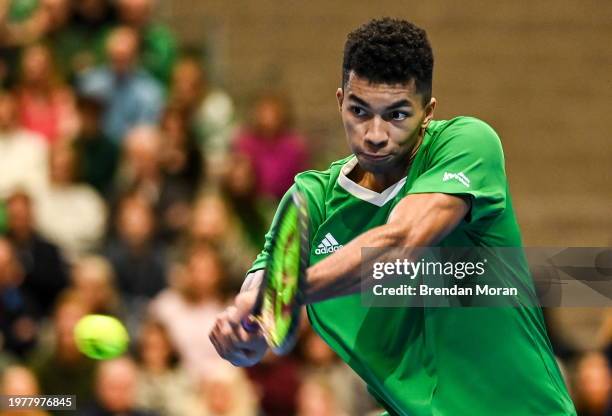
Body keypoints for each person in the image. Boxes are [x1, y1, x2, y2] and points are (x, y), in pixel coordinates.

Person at [210, 18, 577, 415]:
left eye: (397, 115)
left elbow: (400, 242)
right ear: (340, 102)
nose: (375, 133)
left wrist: (292, 292)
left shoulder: (468, 145)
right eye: (359, 111)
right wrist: (243, 332)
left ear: (427, 111)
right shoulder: (311, 199)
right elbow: (259, 300)